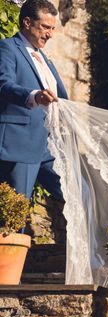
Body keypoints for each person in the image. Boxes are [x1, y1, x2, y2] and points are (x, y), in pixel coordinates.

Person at [0, 0, 68, 200]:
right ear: (27, 22)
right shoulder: (7, 48)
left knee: (77, 196)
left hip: (48, 147)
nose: (50, 34)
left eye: (52, 28)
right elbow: (3, 84)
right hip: (20, 143)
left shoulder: (44, 59)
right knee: (15, 214)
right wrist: (34, 95)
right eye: (46, 27)